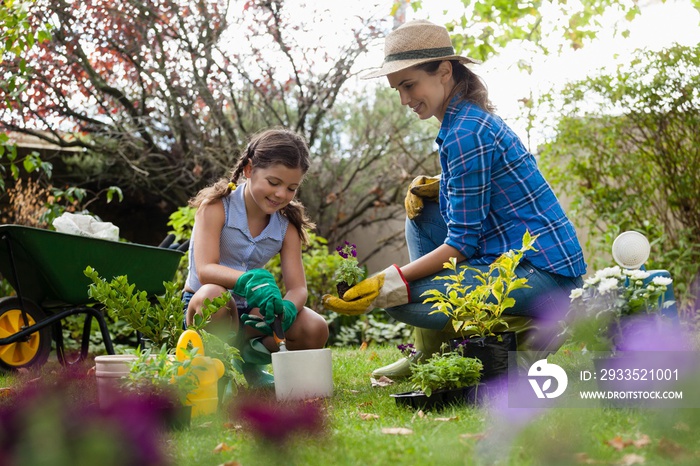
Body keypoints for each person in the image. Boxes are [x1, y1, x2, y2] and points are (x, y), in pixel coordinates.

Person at [323, 20, 587, 378]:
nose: (403, 99)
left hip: (546, 273)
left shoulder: (465, 132)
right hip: (517, 253)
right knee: (421, 214)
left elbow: (461, 243)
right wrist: (440, 185)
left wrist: (387, 281)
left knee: (397, 302)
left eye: (409, 84)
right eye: (396, 89)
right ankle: (427, 353)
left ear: (444, 71)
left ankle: (532, 335)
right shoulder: (464, 121)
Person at [183, 128, 329, 387]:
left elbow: (298, 288)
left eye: (291, 188)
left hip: (250, 315)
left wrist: (286, 309)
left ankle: (250, 366)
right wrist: (250, 280)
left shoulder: (286, 226)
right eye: (273, 183)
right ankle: (219, 375)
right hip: (206, 309)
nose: (281, 194)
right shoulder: (217, 207)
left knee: (315, 327)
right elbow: (205, 269)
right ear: (249, 169)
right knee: (213, 296)